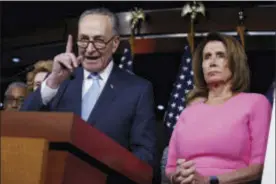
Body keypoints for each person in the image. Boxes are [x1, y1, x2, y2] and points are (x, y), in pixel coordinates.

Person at [21, 8, 156, 183]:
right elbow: (24, 124)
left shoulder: (138, 90)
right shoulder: (60, 80)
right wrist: (53, 81)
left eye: (99, 41)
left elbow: (145, 157)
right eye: (84, 40)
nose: (90, 49)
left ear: (115, 43)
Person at [166, 32, 272, 184]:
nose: (212, 62)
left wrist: (209, 181)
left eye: (220, 55)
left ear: (235, 62)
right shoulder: (188, 112)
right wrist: (178, 177)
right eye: (207, 57)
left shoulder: (256, 103)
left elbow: (260, 166)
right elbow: (170, 167)